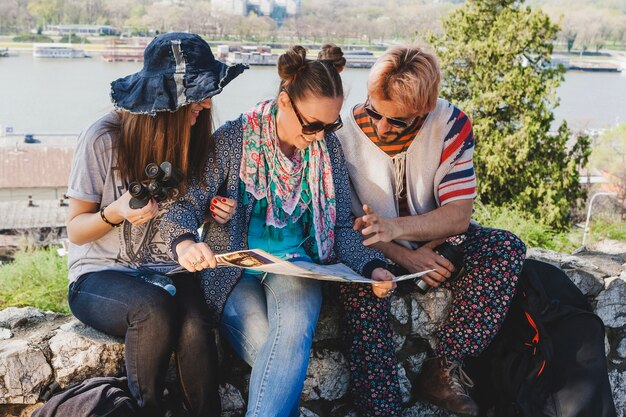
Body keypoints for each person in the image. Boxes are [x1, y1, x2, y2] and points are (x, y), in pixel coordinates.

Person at [159, 44, 396, 417]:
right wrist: (186, 241)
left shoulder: (327, 150)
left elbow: (337, 228)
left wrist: (371, 267)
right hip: (234, 273)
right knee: (282, 353)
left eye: (330, 125)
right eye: (313, 125)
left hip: (298, 268)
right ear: (285, 102)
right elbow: (186, 204)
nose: (320, 135)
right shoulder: (233, 140)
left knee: (290, 336)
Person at [336, 45, 527, 417]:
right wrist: (405, 253)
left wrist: (398, 229)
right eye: (375, 111)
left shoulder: (451, 125)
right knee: (358, 290)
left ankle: (444, 367)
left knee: (505, 247)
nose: (381, 126)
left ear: (423, 110)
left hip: (441, 243)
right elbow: (348, 225)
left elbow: (458, 215)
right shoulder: (341, 133)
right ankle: (381, 410)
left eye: (397, 121)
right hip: (376, 253)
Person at [65, 32, 246, 417]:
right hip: (101, 274)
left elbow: (182, 216)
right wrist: (115, 212)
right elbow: (76, 230)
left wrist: (212, 211)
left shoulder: (192, 138)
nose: (209, 102)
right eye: (198, 95)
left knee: (197, 324)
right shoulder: (102, 138)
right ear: (166, 104)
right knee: (153, 310)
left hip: (167, 266)